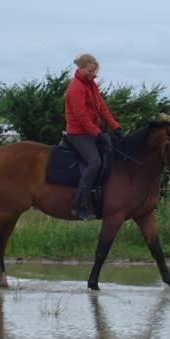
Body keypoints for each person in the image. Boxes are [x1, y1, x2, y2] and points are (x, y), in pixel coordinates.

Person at [64, 53, 122, 220]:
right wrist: (98, 134)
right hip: (78, 134)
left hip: (90, 132)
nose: (93, 74)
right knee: (95, 163)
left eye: (95, 71)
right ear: (81, 68)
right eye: (90, 70)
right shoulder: (76, 88)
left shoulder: (91, 85)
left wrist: (115, 127)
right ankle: (79, 205)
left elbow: (101, 107)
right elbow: (81, 118)